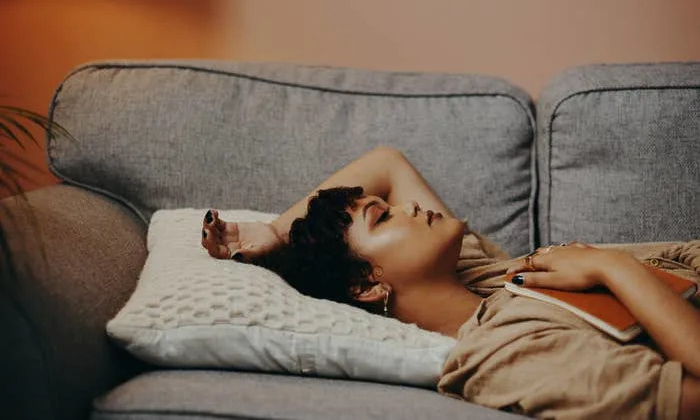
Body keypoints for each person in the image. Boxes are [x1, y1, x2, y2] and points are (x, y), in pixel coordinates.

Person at [200, 146, 700, 419]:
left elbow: (387, 161)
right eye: (383, 217)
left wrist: (276, 233)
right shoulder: (503, 353)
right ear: (367, 286)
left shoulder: (478, 271)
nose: (410, 205)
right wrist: (614, 268)